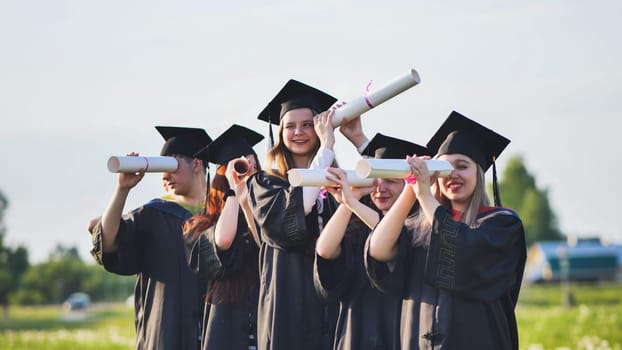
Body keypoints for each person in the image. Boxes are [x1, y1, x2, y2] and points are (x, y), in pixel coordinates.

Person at [366, 111, 527, 349]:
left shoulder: (501, 225)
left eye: (462, 166)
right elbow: (378, 251)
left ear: (479, 173)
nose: (452, 174)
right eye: (444, 168)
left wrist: (424, 196)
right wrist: (412, 190)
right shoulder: (419, 227)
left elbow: (463, 248)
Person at [246, 79, 368, 350]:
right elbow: (297, 208)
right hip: (288, 304)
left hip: (335, 304)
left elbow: (382, 195)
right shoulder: (265, 184)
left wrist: (359, 139)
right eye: (290, 126)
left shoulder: (339, 183)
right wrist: (325, 149)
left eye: (308, 124)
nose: (299, 132)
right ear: (280, 133)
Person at [90, 126, 212, 350]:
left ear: (197, 164)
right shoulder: (154, 215)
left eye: (171, 166)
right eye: (162, 168)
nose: (165, 176)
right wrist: (122, 189)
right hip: (164, 336)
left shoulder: (222, 215)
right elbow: (107, 244)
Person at [314, 133, 431, 350]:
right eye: (375, 181)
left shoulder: (421, 228)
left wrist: (352, 203)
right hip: (355, 331)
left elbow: (390, 237)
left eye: (391, 181)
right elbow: (324, 250)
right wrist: (349, 201)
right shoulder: (357, 225)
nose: (380, 188)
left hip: (396, 332)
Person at [184, 124, 264, 350]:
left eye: (253, 165)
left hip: (265, 323)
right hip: (226, 330)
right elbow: (224, 240)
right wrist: (234, 191)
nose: (248, 171)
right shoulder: (200, 226)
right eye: (240, 165)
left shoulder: (266, 218)